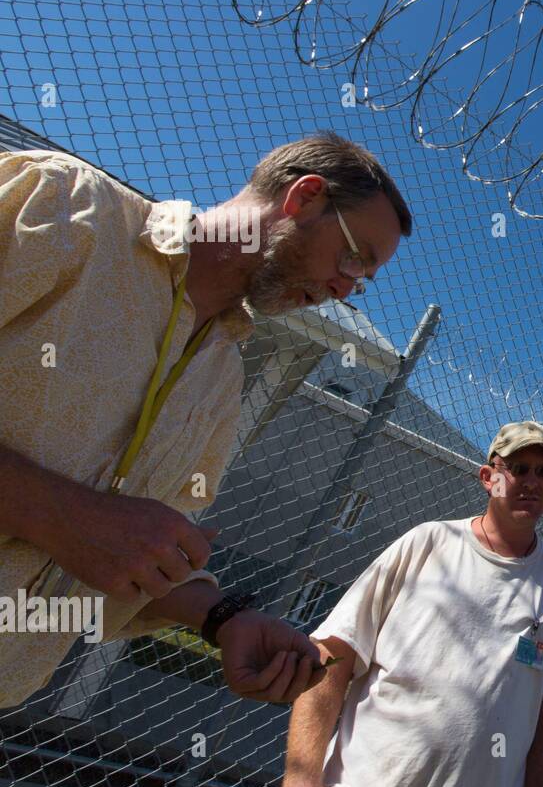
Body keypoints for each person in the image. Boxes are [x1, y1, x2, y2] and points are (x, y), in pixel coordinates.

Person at [0, 133, 411, 708]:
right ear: (305, 197)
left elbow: (134, 555)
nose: (344, 289)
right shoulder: (67, 210)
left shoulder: (221, 382)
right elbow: (91, 528)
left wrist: (221, 618)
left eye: (361, 282)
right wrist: (59, 513)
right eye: (353, 257)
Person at [283, 421, 543, 787]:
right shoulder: (428, 545)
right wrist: (301, 780)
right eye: (518, 469)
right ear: (488, 477)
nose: (532, 482)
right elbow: (334, 653)